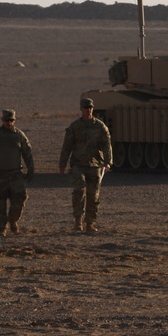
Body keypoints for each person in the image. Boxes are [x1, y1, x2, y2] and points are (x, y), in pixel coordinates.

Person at [59, 97, 113, 234]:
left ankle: (90, 222)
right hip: (78, 164)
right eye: (86, 108)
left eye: (90, 108)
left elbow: (107, 145)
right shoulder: (75, 127)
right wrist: (62, 164)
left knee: (93, 195)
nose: (88, 110)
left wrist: (108, 162)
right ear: (81, 109)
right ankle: (78, 220)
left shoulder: (100, 127)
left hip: (95, 165)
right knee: (79, 190)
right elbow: (67, 146)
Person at [0, 109, 34, 236]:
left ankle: (13, 220)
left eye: (11, 120)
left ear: (14, 121)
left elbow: (27, 153)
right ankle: (0, 229)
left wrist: (31, 169)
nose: (9, 123)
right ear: (2, 120)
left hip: (15, 175)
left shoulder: (19, 135)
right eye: (6, 120)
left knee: (19, 200)